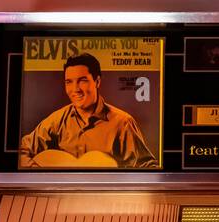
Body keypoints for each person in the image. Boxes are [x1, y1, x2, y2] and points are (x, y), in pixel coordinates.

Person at [20, 53, 155, 169]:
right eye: (69, 82)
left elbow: (149, 167)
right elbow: (22, 150)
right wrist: (40, 175)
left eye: (82, 81)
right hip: (64, 198)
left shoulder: (123, 123)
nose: (75, 89)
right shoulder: (57, 120)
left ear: (97, 81)